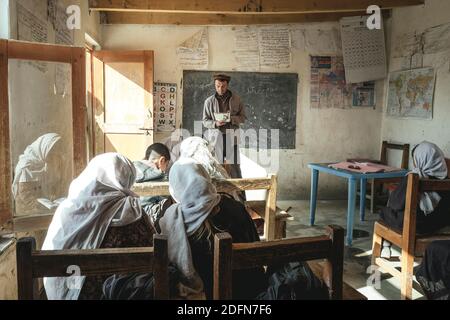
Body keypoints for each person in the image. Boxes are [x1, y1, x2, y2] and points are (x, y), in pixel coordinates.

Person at [42, 153, 155, 300]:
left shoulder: (68, 209)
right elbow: (152, 252)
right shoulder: (132, 212)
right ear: (128, 178)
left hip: (71, 293)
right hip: (118, 294)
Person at [379, 141, 450, 234]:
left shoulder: (414, 177)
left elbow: (395, 204)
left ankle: (386, 245)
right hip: (439, 224)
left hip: (417, 226)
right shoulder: (446, 180)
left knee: (384, 212)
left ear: (421, 160)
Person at [202, 73, 246, 179]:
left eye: (223, 86)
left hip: (232, 138)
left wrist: (231, 119)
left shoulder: (237, 99)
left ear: (227, 85)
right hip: (216, 139)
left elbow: (243, 118)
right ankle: (219, 195)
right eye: (217, 86)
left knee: (235, 169)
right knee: (218, 169)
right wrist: (215, 123)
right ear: (214, 85)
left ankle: (240, 195)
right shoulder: (209, 102)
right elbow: (204, 121)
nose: (220, 89)